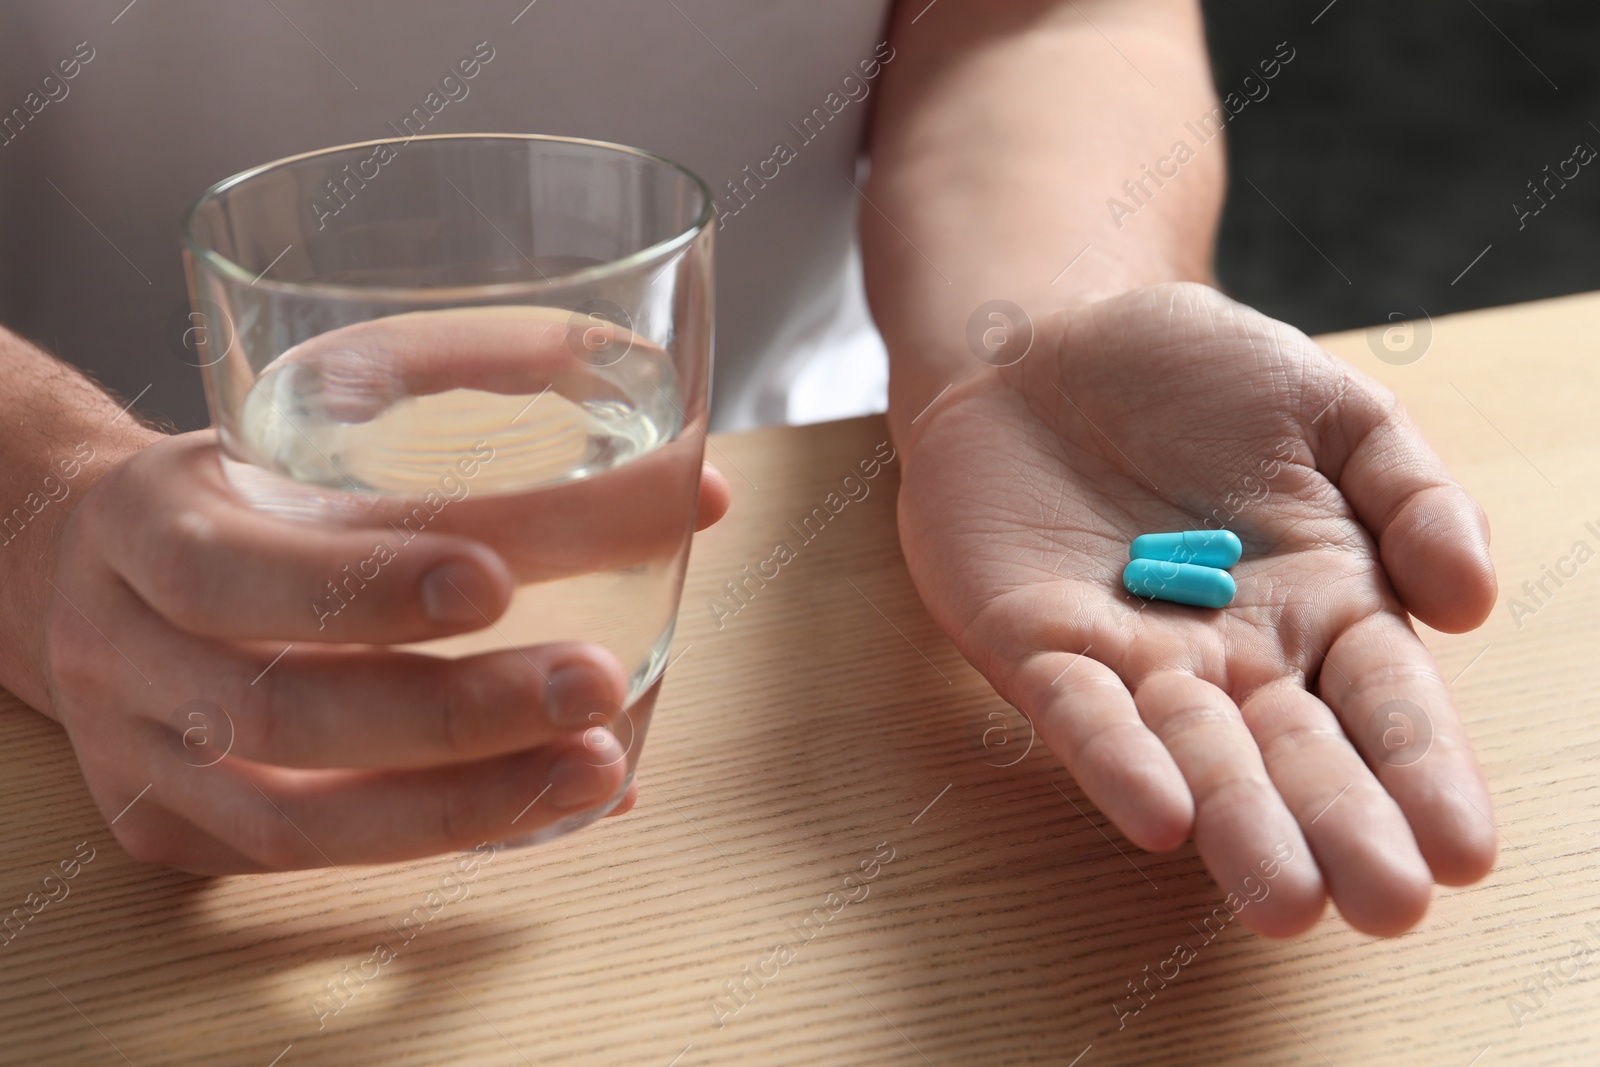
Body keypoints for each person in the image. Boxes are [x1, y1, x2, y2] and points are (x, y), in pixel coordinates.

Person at [0, 0, 1496, 939]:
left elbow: (1036, 16)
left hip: (829, 502)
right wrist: (43, 501)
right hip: (81, 639)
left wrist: (1029, 327)